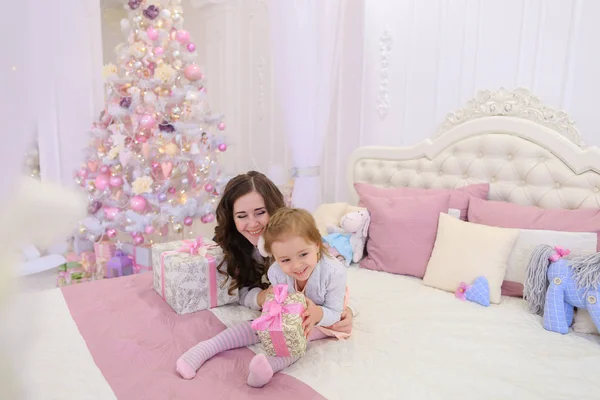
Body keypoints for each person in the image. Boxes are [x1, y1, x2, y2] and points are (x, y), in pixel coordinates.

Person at [177, 207, 350, 387]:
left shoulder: (334, 272)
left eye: (303, 254)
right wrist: (273, 313)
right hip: (293, 312)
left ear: (316, 244)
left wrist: (317, 315)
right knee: (261, 325)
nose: (297, 266)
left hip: (325, 316)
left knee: (298, 336)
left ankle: (269, 365)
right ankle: (207, 347)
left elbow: (336, 312)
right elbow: (281, 302)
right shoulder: (276, 272)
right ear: (274, 257)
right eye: (285, 260)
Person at [213, 171, 354, 328]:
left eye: (260, 213)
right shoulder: (228, 246)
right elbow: (232, 292)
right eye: (241, 216)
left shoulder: (296, 243)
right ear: (232, 219)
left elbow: (325, 287)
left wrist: (341, 311)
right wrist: (261, 297)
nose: (252, 223)